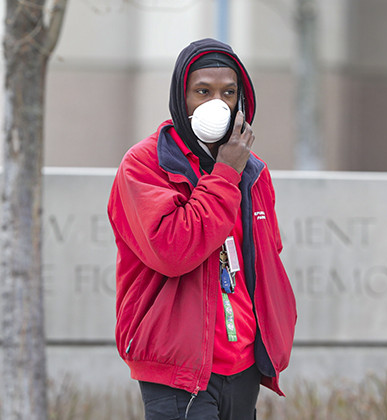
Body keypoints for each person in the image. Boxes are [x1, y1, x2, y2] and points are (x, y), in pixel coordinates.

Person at [107, 38, 297, 420]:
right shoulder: (145, 165)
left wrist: (275, 335)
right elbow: (174, 250)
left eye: (228, 92)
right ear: (182, 97)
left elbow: (267, 257)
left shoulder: (253, 169)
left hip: (243, 362)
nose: (217, 103)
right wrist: (225, 174)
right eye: (203, 91)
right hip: (178, 368)